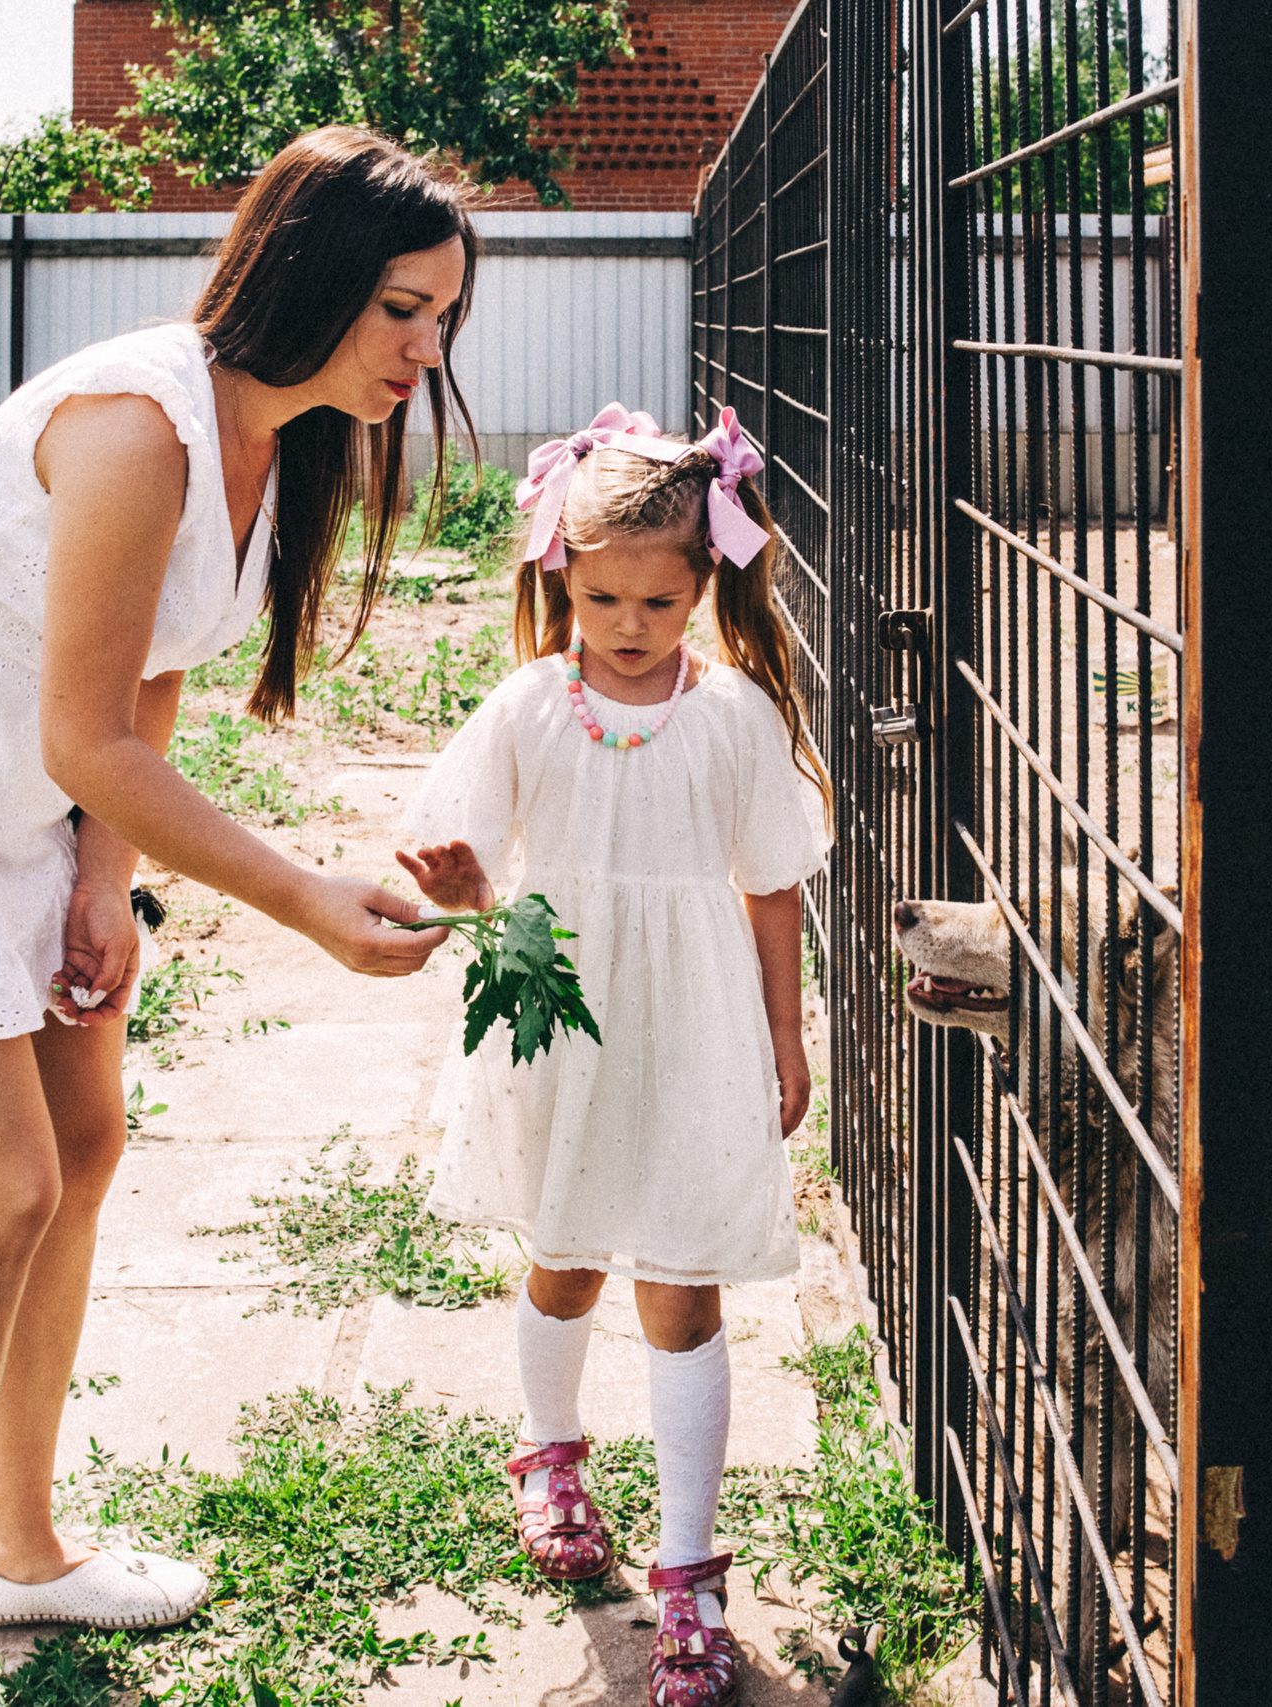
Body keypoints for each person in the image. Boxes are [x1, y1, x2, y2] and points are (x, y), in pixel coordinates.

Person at [0, 127, 472, 1707]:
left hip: (21, 814)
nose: (421, 349)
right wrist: (305, 903)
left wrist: (103, 880)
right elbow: (84, 734)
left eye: (443, 319)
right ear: (309, 272)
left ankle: (18, 1550)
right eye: (401, 306)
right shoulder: (137, 421)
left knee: (86, 1153)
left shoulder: (278, 436)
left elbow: (155, 656)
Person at [394, 402, 831, 1707]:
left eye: (657, 598)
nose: (630, 624)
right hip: (564, 1034)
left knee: (685, 1289)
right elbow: (460, 880)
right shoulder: (529, 706)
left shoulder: (738, 718)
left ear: (705, 581)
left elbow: (770, 889)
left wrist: (785, 1033)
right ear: (562, 581)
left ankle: (690, 1574)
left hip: (697, 1034)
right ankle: (551, 1454)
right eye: (602, 599)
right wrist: (463, 887)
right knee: (567, 1260)